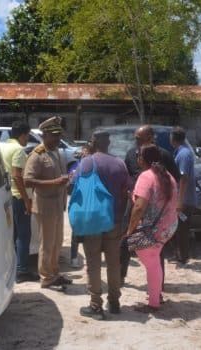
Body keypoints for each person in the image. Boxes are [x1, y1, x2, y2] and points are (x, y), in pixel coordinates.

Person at [73, 131, 131, 319]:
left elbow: (74, 184)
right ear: (109, 142)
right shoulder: (119, 163)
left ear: (94, 142)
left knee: (93, 264)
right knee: (114, 263)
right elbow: (126, 192)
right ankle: (114, 302)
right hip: (113, 220)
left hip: (92, 220)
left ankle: (95, 305)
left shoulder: (87, 162)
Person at [121, 125, 179, 287]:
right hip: (134, 202)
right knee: (124, 240)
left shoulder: (164, 156)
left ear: (151, 137)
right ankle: (120, 277)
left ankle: (157, 285)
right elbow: (127, 176)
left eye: (140, 139)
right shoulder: (131, 154)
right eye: (136, 138)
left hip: (154, 211)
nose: (136, 142)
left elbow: (174, 180)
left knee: (155, 248)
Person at [24, 116, 71, 290]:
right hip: (44, 205)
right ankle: (46, 277)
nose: (58, 139)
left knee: (57, 242)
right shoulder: (37, 155)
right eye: (54, 135)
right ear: (45, 135)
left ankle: (54, 273)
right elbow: (27, 181)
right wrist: (54, 183)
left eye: (59, 135)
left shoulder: (56, 152)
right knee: (47, 243)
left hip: (57, 204)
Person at [2, 121, 40, 283]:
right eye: (27, 136)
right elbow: (17, 175)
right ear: (23, 135)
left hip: (6, 195)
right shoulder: (18, 150)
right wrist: (27, 200)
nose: (27, 140)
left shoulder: (2, 146)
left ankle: (13, 266)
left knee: (13, 233)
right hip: (18, 197)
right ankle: (22, 270)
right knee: (24, 235)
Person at [170, 126, 196, 264]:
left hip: (184, 200)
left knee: (182, 229)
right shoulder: (181, 152)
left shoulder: (184, 154)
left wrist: (179, 201)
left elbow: (183, 177)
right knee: (178, 228)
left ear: (173, 138)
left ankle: (183, 257)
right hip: (183, 198)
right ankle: (179, 255)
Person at [69, 143, 94, 269]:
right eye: (83, 151)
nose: (84, 153)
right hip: (80, 204)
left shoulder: (95, 166)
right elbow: (71, 183)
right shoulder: (77, 166)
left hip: (89, 205)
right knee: (76, 232)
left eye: (87, 151)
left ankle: (91, 259)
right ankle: (74, 257)